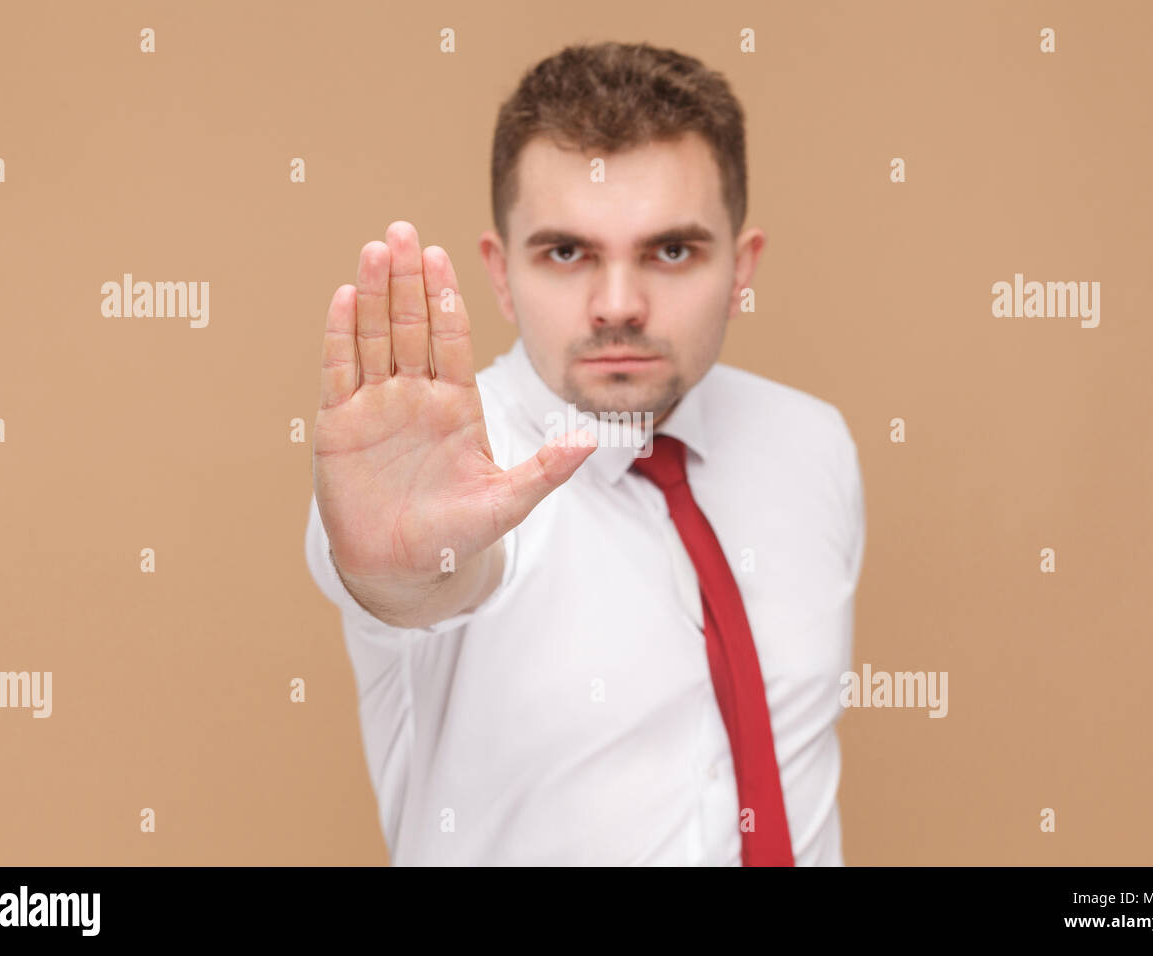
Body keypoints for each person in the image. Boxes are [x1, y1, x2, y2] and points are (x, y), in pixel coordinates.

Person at [304, 41, 865, 865]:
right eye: (567, 253)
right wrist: (401, 566)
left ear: (742, 268)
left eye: (671, 251)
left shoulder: (813, 445)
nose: (618, 305)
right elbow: (427, 579)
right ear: (499, 274)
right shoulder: (435, 475)